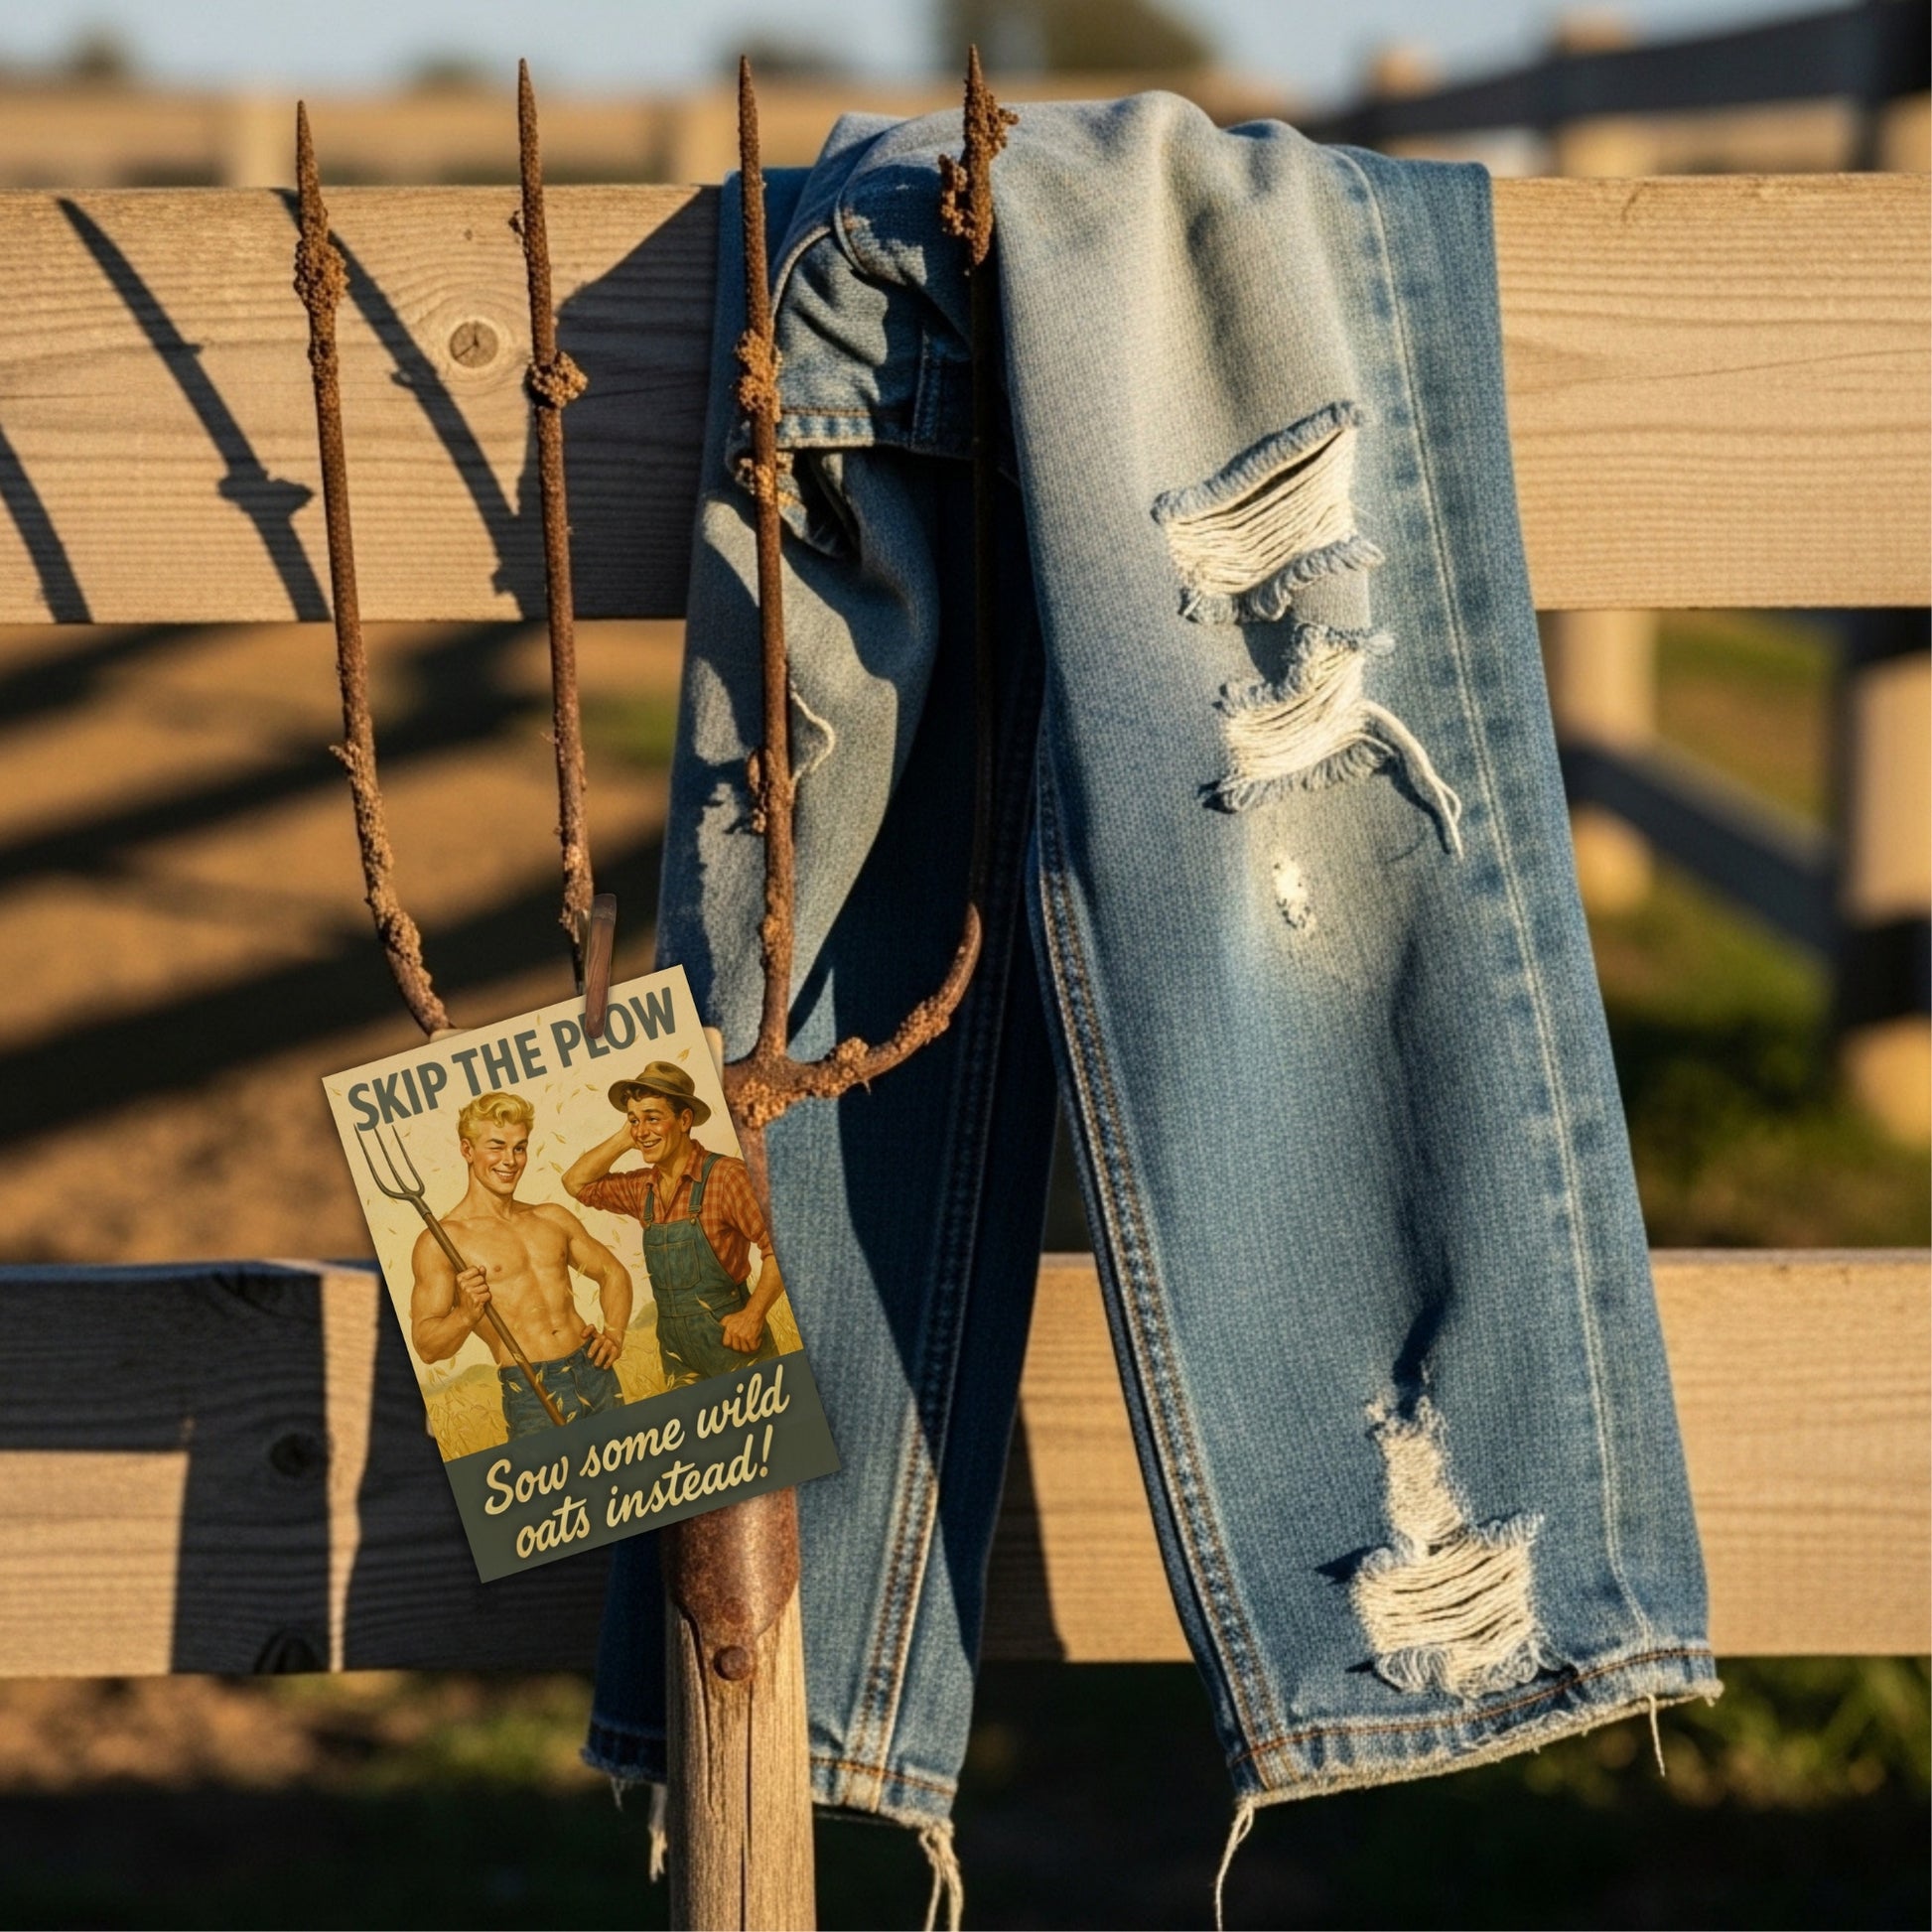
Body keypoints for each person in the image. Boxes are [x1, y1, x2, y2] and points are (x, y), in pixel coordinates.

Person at [410, 1090, 632, 1440]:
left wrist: (615, 1334)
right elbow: (426, 1347)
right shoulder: (441, 1241)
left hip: (595, 1371)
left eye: (519, 1147)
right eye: (496, 1146)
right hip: (531, 1390)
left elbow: (613, 1273)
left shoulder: (551, 1218)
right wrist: (465, 1314)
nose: (510, 1160)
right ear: (467, 1150)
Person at [562, 1060, 785, 1388]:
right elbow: (575, 1182)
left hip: (732, 1343)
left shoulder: (726, 1176)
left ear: (684, 1120)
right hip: (675, 1349)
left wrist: (753, 1315)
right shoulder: (643, 1188)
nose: (641, 1130)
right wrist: (630, 1135)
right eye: (634, 1121)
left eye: (653, 1118)